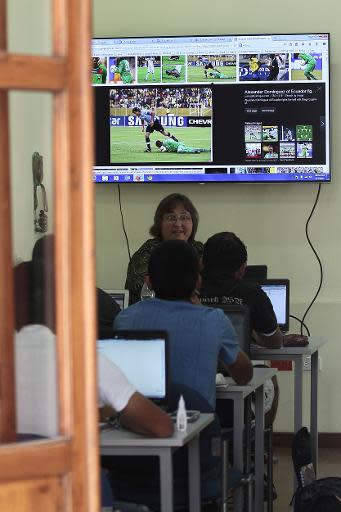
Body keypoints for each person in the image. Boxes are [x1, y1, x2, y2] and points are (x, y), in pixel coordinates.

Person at [117, 239, 253, 408]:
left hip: (139, 426)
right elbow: (244, 376)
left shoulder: (125, 319)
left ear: (148, 281)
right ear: (198, 281)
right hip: (196, 427)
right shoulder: (214, 320)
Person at [200, 232, 308, 349]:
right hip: (235, 365)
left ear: (202, 263)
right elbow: (275, 341)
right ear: (242, 268)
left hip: (191, 365)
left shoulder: (187, 291)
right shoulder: (252, 294)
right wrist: (248, 332)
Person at [125, 193, 204, 305]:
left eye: (184, 217)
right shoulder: (148, 252)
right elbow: (139, 291)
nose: (178, 224)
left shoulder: (200, 250)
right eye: (171, 218)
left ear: (193, 223)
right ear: (160, 223)